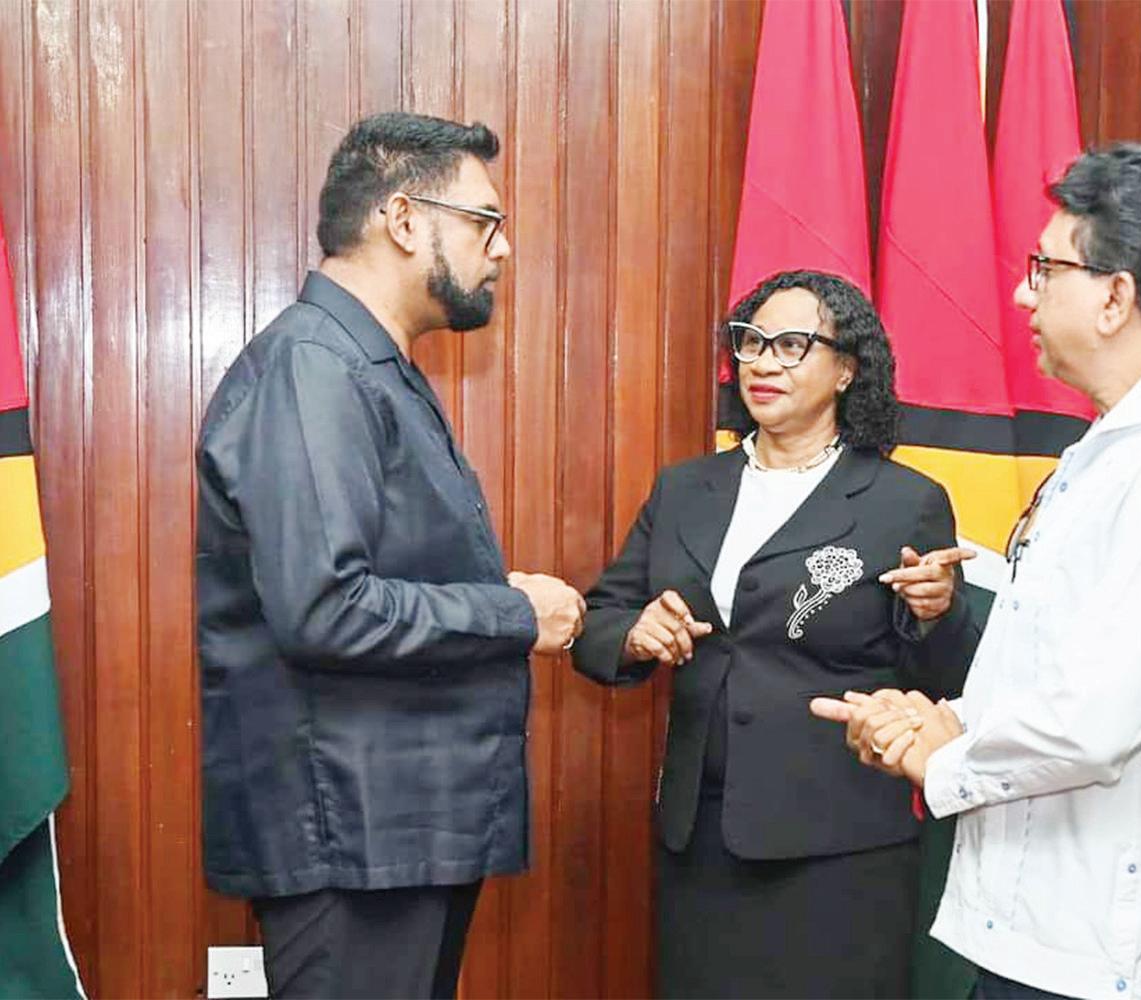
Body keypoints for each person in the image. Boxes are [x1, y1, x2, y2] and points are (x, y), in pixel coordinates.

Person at [814, 143, 1141, 1000]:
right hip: (1030, 923)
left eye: (1046, 269)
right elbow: (1050, 662)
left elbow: (1095, 719)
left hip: (1096, 948)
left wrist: (941, 759)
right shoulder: (1115, 444)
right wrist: (935, 719)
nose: (1024, 294)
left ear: (1115, 297)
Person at [195, 112, 585, 999]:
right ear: (403, 220)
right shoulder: (313, 368)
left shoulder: (365, 366)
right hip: (353, 835)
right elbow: (325, 608)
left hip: (391, 830)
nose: (503, 247)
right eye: (485, 221)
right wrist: (514, 613)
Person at [571, 270, 981, 998]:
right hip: (702, 842)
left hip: (841, 848)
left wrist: (936, 612)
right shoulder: (684, 488)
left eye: (792, 345)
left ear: (847, 369)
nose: (763, 362)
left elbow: (944, 684)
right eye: (751, 342)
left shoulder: (903, 502)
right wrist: (635, 634)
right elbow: (599, 620)